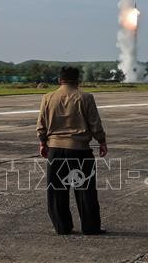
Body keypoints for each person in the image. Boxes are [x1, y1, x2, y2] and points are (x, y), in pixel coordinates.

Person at [36, 66, 108, 235]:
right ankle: (90, 226)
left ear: (60, 80)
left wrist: (42, 143)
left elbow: (41, 125)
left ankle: (62, 226)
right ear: (78, 81)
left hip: (55, 149)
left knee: (57, 191)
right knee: (85, 190)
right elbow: (95, 124)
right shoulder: (86, 97)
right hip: (80, 150)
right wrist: (102, 141)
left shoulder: (47, 97)